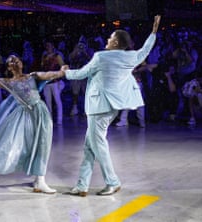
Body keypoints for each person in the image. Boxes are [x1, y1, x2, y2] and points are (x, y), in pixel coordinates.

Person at [61, 15, 161, 197]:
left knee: (98, 145)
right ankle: (82, 185)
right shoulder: (130, 57)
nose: (107, 40)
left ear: (115, 42)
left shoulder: (101, 57)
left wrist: (65, 72)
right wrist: (153, 32)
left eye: (110, 38)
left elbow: (81, 74)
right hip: (112, 106)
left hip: (99, 106)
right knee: (90, 146)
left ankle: (112, 182)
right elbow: (146, 50)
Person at [0, 54, 64, 194]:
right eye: (12, 61)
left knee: (43, 144)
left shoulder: (32, 76)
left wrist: (60, 72)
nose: (16, 62)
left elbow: (47, 75)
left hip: (40, 112)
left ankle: (40, 180)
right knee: (27, 145)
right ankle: (38, 178)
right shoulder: (8, 82)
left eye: (17, 60)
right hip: (24, 116)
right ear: (9, 67)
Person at [40, 40, 65, 125]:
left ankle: (59, 119)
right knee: (48, 101)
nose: (48, 48)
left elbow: (63, 67)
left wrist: (59, 77)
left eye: (49, 46)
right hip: (46, 82)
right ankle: (49, 119)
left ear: (52, 47)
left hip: (55, 81)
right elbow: (43, 67)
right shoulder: (44, 56)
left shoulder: (57, 56)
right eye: (47, 46)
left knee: (57, 100)